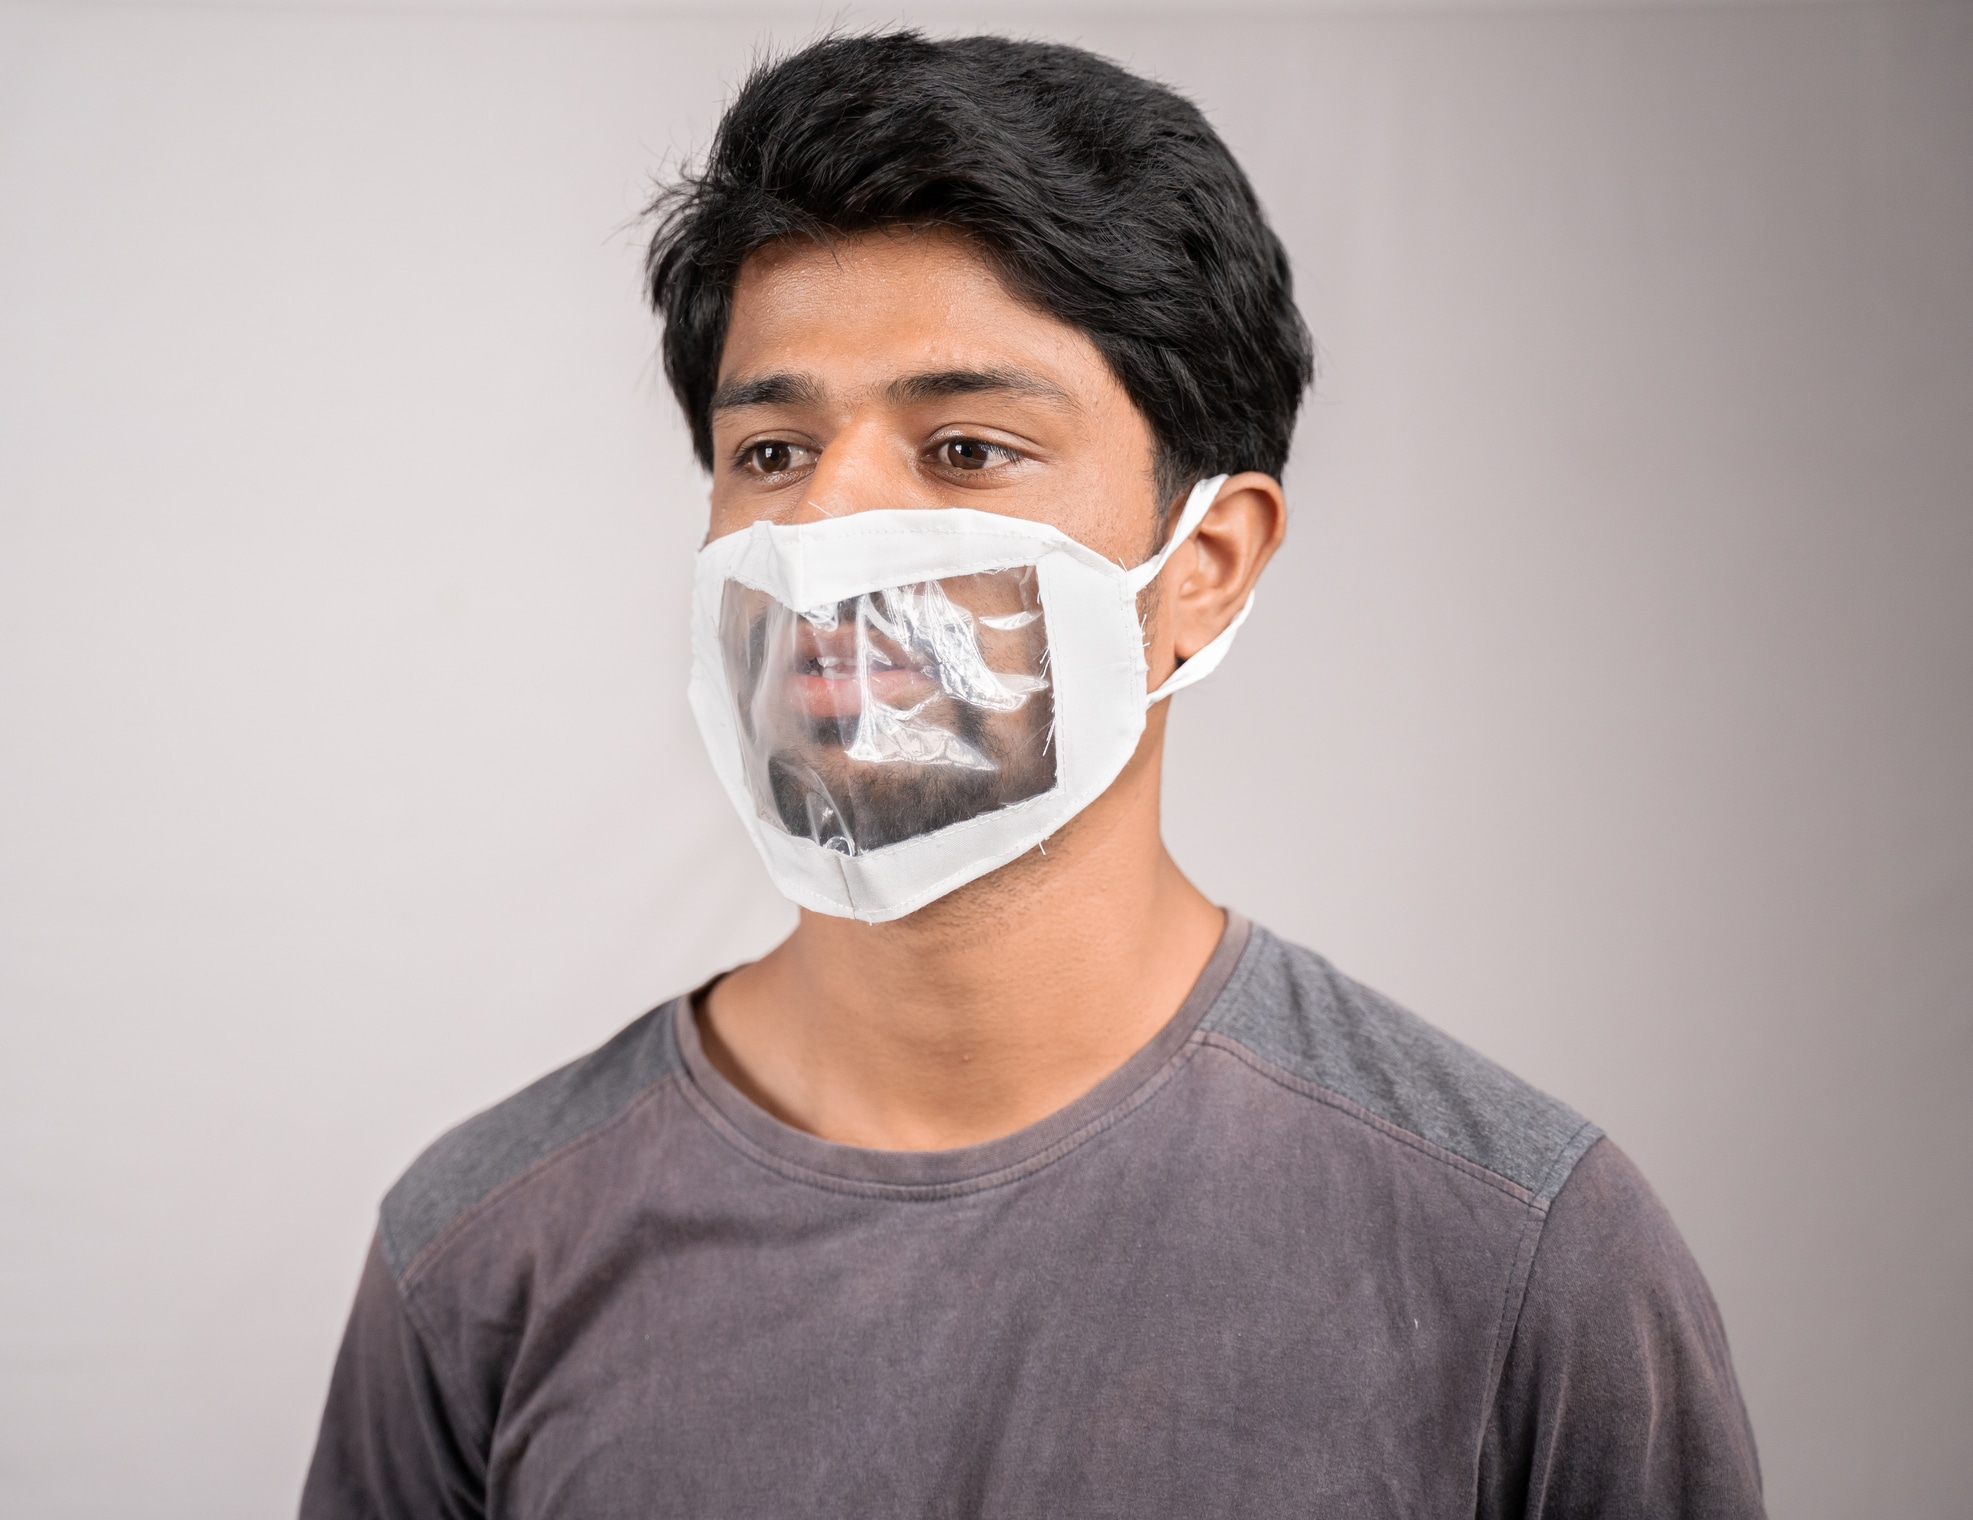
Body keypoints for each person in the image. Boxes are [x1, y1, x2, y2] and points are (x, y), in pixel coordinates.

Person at [302, 30, 1763, 1519]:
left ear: (1203, 564)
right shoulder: (485, 1254)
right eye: (769, 452)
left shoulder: (1513, 1252)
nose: (824, 533)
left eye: (967, 447)